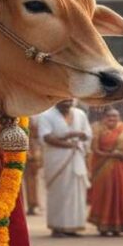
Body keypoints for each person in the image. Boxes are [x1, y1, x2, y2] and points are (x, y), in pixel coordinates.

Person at [38, 99, 92, 237]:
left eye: (69, 99)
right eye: (63, 99)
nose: (67, 101)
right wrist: (69, 139)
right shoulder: (46, 115)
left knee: (76, 193)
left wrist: (80, 137)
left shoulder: (80, 114)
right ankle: (58, 228)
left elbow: (88, 134)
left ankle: (73, 227)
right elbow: (46, 137)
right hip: (56, 159)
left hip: (77, 158)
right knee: (59, 193)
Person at [88, 108, 123, 236]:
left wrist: (121, 155)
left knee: (122, 195)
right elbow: (95, 150)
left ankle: (120, 226)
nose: (112, 119)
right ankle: (102, 225)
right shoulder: (97, 128)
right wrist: (111, 155)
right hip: (102, 168)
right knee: (104, 195)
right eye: (109, 116)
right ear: (104, 117)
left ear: (119, 117)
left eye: (115, 117)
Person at [23, 115, 42, 216]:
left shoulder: (35, 118)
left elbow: (37, 138)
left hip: (32, 152)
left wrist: (37, 153)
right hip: (23, 152)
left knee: (33, 180)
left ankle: (33, 205)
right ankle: (30, 205)